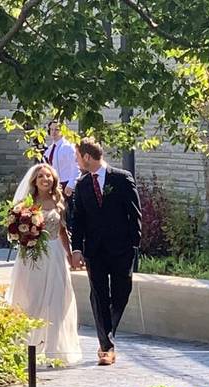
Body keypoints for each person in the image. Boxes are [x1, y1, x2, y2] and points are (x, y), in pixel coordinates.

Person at [70, 137, 142, 366]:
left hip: (122, 249)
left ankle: (107, 332)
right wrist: (77, 249)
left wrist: (134, 244)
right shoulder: (81, 185)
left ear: (87, 157)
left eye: (77, 157)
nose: (76, 161)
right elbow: (77, 220)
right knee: (99, 295)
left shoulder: (121, 179)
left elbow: (135, 213)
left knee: (122, 292)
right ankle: (106, 346)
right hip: (95, 251)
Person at [6, 164, 82, 365]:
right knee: (31, 301)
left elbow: (62, 231)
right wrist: (24, 237)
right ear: (34, 180)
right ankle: (27, 348)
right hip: (33, 256)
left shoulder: (59, 202)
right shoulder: (26, 205)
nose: (44, 179)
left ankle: (53, 351)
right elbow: (16, 232)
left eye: (48, 176)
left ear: (53, 180)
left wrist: (69, 253)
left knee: (58, 300)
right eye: (40, 176)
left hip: (55, 253)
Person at [44, 121, 79, 197]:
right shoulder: (49, 150)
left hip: (67, 185)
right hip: (54, 186)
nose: (53, 132)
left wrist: (71, 184)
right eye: (51, 129)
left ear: (63, 130)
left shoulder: (68, 147)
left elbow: (76, 167)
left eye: (56, 129)